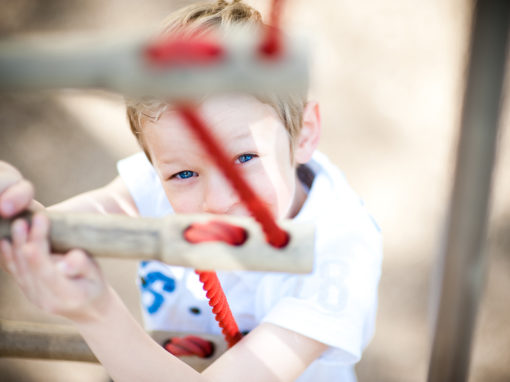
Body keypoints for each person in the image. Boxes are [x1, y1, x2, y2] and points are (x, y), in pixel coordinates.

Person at [0, 1, 382, 381]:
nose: (215, 201)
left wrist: (97, 313)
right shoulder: (174, 169)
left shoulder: (339, 254)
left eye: (244, 158)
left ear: (305, 134)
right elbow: (87, 215)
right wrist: (17, 213)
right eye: (184, 174)